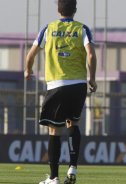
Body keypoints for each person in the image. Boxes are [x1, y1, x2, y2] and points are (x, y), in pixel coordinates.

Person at [24, 0, 97, 183]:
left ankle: (54, 177)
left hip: (57, 84)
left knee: (54, 130)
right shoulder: (82, 29)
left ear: (58, 9)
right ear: (75, 10)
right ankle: (72, 167)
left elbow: (31, 54)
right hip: (78, 85)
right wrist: (92, 78)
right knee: (73, 123)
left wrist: (27, 70)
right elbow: (91, 54)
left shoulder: (48, 29)